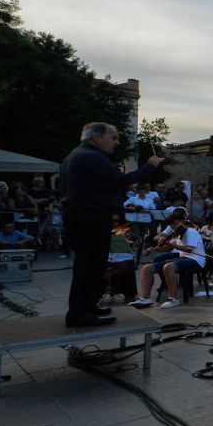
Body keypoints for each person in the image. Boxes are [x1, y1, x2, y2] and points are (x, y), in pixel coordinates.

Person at [59, 123, 161, 326]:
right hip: (89, 217)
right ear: (97, 138)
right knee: (89, 265)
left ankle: (87, 307)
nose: (116, 143)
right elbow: (120, 179)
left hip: (84, 215)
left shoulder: (77, 155)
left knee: (92, 265)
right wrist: (150, 165)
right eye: (113, 138)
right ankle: (80, 314)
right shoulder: (91, 156)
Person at [127, 212, 206, 310]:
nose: (173, 226)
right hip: (183, 258)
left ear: (182, 222)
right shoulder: (177, 234)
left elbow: (189, 249)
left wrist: (170, 243)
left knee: (168, 266)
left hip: (196, 260)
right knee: (146, 268)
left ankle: (173, 299)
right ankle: (145, 298)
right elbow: (167, 248)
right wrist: (152, 249)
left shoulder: (191, 231)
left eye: (174, 223)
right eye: (171, 224)